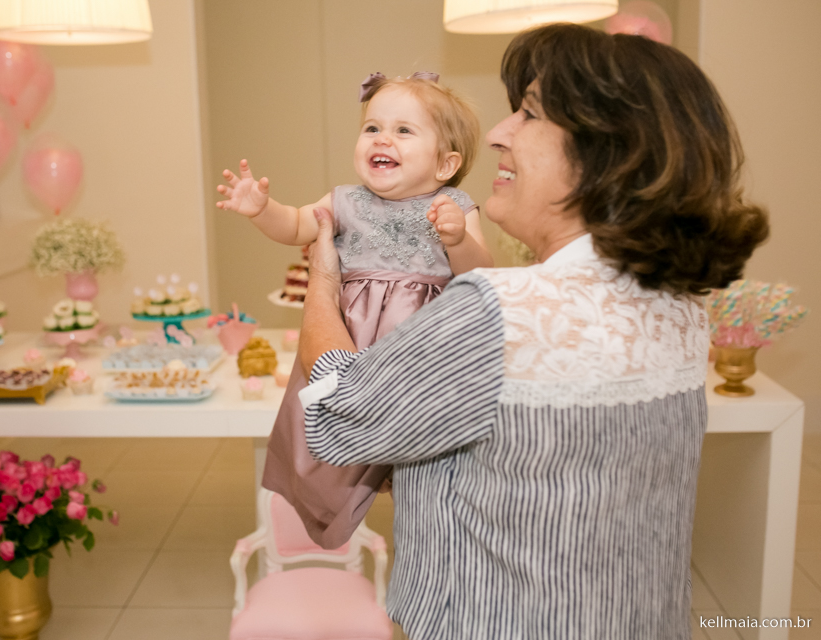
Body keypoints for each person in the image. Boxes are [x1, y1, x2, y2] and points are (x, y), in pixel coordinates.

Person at [296, 24, 769, 640]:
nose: (497, 132)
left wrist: (323, 282)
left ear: (604, 155)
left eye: (528, 114)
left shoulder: (497, 311)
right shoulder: (678, 307)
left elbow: (337, 412)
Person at [216, 72, 494, 548]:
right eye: (372, 127)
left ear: (447, 163)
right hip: (349, 345)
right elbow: (298, 224)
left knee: (420, 453)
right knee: (328, 429)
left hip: (417, 354)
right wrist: (263, 210)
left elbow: (481, 272)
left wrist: (458, 239)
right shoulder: (345, 200)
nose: (382, 138)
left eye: (404, 131)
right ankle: (336, 491)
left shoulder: (455, 205)